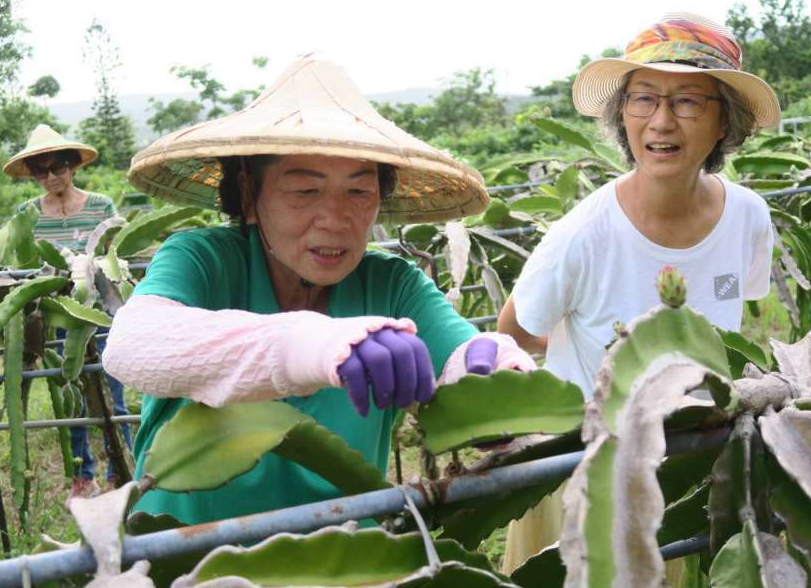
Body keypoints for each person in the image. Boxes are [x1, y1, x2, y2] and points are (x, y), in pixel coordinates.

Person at [101, 56, 536, 525]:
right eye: (304, 192)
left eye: (359, 192)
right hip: (184, 557)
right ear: (249, 195)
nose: (335, 219)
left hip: (347, 563)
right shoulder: (203, 259)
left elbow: (457, 358)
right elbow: (134, 343)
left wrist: (494, 378)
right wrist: (313, 344)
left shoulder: (391, 284)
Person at [496, 12, 779, 573]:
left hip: (687, 466)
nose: (661, 122)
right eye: (644, 99)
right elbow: (515, 334)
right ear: (622, 115)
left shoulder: (748, 216)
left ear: (726, 123)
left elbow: (731, 318)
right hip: (588, 467)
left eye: (689, 102)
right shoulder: (582, 235)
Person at [2, 124, 134, 502]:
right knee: (70, 394)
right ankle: (82, 477)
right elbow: (24, 263)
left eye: (56, 167)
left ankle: (120, 472)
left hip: (102, 312)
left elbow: (113, 258)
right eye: (40, 171)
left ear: (72, 166)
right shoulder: (27, 214)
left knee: (114, 393)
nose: (49, 177)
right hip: (57, 313)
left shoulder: (100, 206)